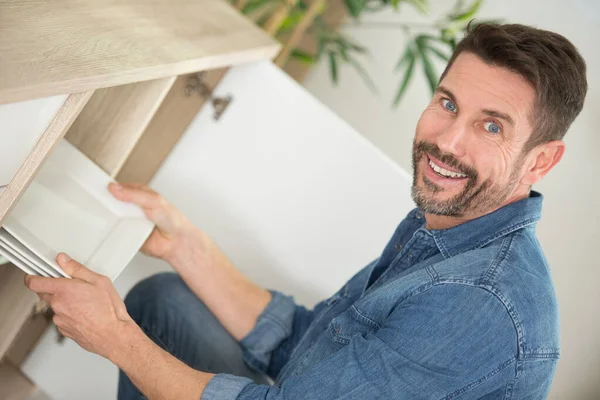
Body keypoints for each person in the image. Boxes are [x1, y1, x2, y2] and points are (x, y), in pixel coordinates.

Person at [25, 22, 587, 399]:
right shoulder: (448, 224)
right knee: (165, 300)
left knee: (136, 328)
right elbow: (308, 342)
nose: (448, 142)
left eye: (491, 126)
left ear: (541, 162)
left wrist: (114, 337)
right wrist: (186, 246)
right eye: (447, 103)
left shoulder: (481, 300)